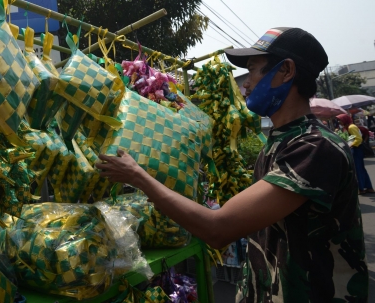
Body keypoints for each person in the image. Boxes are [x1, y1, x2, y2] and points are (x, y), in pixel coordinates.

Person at [97, 27, 368, 302]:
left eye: (253, 70)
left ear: (286, 71)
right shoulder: (280, 142)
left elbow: (218, 229)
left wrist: (138, 176)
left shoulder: (315, 148)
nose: (246, 84)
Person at [337, 113, 375, 194]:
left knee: (358, 169)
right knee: (360, 169)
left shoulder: (351, 127)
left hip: (356, 150)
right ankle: (368, 187)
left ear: (344, 119)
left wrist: (350, 145)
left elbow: (358, 139)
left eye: (339, 120)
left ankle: (361, 188)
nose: (338, 122)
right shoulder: (347, 127)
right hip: (355, 149)